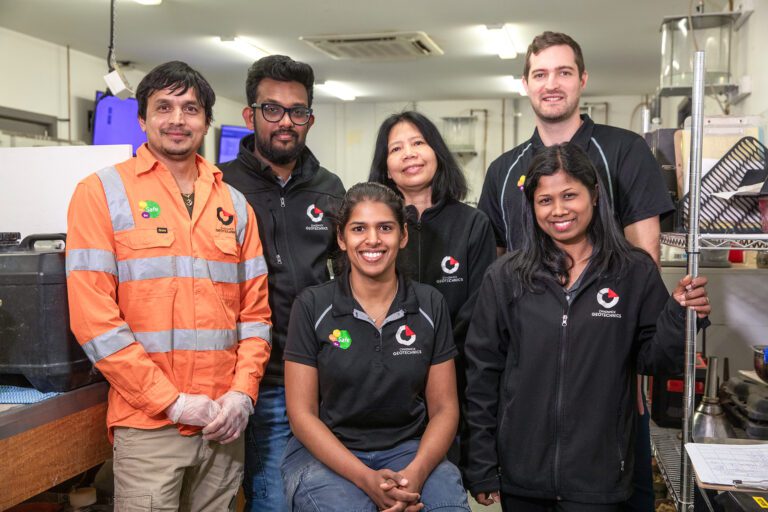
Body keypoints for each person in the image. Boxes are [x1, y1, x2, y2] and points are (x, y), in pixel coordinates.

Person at [477, 31, 675, 510]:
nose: (552, 84)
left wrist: (622, 362)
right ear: (525, 83)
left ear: (582, 79)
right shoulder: (504, 170)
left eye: (564, 72)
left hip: (605, 377)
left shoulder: (623, 150)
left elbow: (644, 258)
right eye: (540, 74)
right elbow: (499, 271)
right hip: (531, 386)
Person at [66, 61, 272, 510]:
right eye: (164, 107)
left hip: (223, 426)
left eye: (190, 109)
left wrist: (242, 395)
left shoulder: (234, 205)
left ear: (206, 122)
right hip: (149, 426)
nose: (177, 120)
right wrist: (172, 402)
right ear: (143, 119)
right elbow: (94, 322)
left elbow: (255, 317)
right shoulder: (100, 192)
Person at [465, 143, 710, 512]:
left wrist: (680, 314)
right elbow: (482, 376)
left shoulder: (633, 271)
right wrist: (482, 465)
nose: (558, 210)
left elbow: (655, 361)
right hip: (523, 475)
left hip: (599, 478)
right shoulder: (505, 277)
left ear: (594, 195)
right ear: (531, 206)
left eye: (569, 195)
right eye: (544, 200)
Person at [281, 182, 471, 512]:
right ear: (341, 238)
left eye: (385, 228)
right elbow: (301, 415)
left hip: (410, 450)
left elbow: (444, 410)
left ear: (403, 236)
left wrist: (416, 474)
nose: (373, 240)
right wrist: (366, 479)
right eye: (359, 229)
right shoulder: (312, 305)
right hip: (330, 453)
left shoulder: (429, 303)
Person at [219, 54, 345, 511]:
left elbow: (348, 281)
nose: (285, 122)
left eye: (297, 111)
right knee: (272, 500)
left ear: (309, 118)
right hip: (257, 382)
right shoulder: (222, 187)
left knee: (327, 498)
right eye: (272, 109)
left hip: (324, 379)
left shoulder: (330, 188)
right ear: (249, 115)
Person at [369, 111, 496, 469]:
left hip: (456, 377)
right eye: (397, 148)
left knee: (442, 480)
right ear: (386, 167)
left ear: (437, 152)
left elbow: (480, 308)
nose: (409, 153)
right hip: (386, 381)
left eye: (418, 143)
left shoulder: (473, 224)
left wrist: (435, 354)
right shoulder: (375, 229)